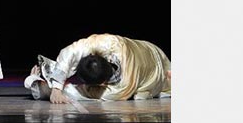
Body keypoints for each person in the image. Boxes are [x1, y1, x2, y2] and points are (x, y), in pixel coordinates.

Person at [24, 34, 171, 103]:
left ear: (101, 84)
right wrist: (57, 86)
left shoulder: (118, 90)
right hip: (154, 52)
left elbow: (73, 93)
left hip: (158, 76)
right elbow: (72, 51)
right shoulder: (111, 42)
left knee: (141, 95)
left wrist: (36, 84)